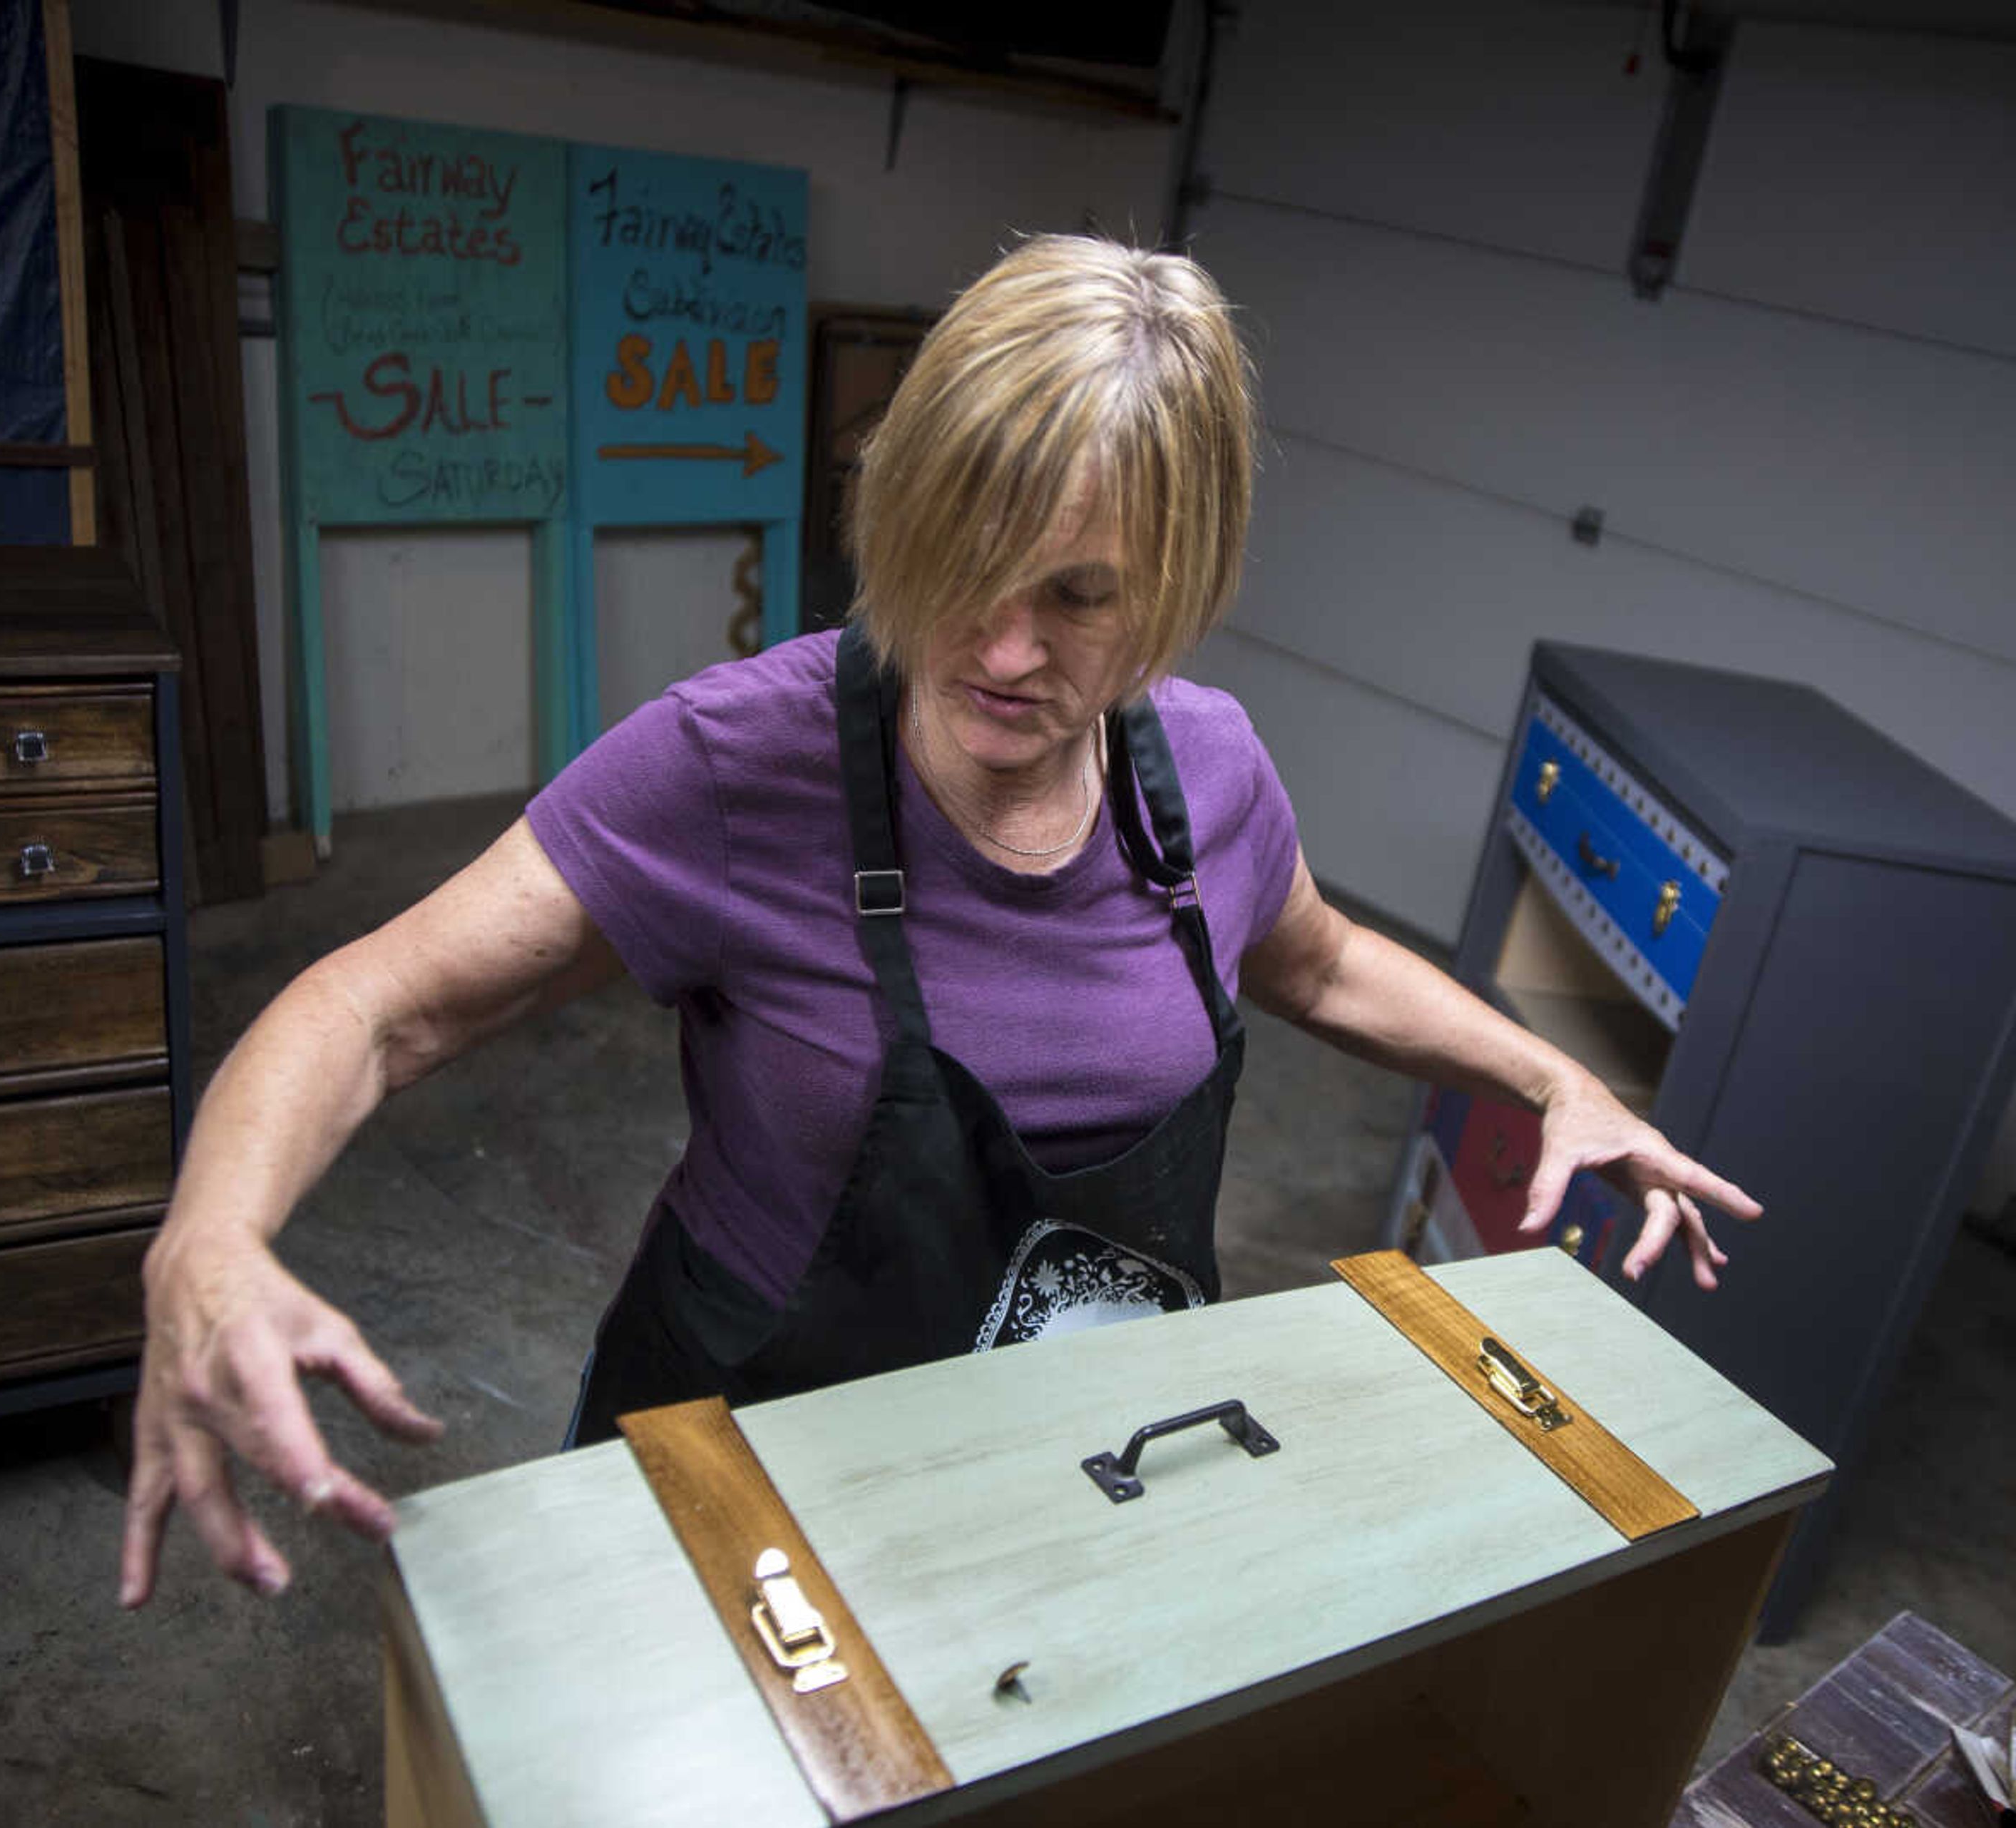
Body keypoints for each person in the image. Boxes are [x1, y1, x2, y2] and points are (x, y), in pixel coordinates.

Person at [117, 234, 1759, 1608]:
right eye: (963, 558)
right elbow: (370, 1004)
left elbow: (1317, 956)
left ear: (1177, 581)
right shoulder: (735, 762)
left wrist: (1550, 1077)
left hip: (1075, 1458)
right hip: (742, 1446)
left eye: (1081, 596)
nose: (1001, 644)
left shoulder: (1209, 773)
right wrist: (207, 1240)